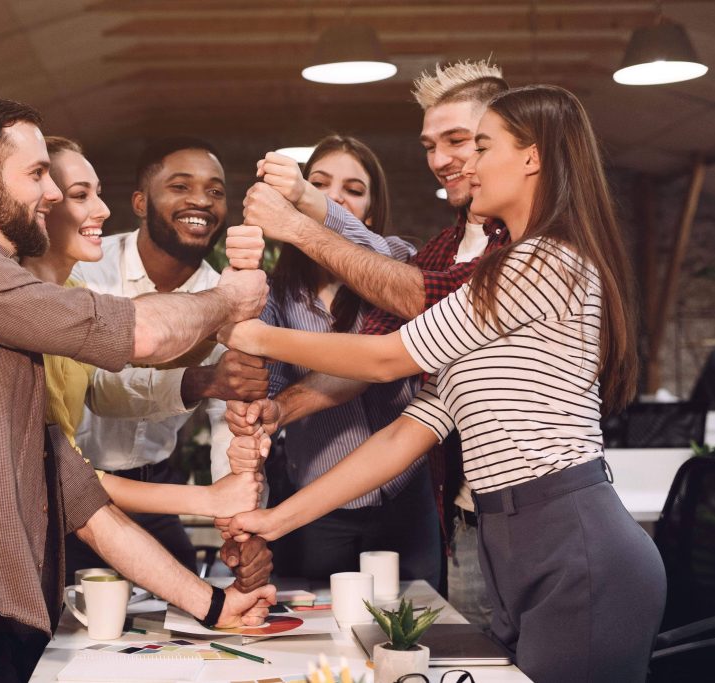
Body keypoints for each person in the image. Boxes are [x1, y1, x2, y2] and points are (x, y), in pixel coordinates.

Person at [219, 85, 666, 683]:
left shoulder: (547, 261)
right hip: (511, 539)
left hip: (571, 536)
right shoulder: (496, 268)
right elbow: (406, 433)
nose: (466, 166)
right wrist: (277, 521)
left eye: (482, 146)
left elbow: (385, 359)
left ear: (532, 157)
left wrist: (253, 334)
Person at [0, 95, 274, 683]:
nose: (54, 192)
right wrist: (229, 298)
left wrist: (213, 605)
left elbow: (82, 501)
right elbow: (136, 333)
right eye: (38, 174)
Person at [227, 60, 511, 624]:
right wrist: (264, 407)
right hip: (332, 495)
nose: (441, 158)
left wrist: (306, 209)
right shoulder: (283, 288)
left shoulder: (426, 261)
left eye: (351, 192)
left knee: (426, 631)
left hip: (420, 495)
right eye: (433, 144)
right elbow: (346, 377)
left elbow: (388, 350)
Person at [23, 135, 272, 590]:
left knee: (187, 614)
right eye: (180, 186)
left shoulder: (224, 294)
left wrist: (239, 523)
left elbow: (227, 425)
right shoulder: (82, 267)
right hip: (64, 496)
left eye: (215, 191)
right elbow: (105, 383)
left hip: (151, 490)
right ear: (140, 201)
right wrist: (200, 380)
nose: (200, 199)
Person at [247, 134, 440, 585]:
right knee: (320, 634)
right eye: (320, 183)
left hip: (406, 495)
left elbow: (385, 356)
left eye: (353, 190)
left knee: (418, 625)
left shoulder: (399, 259)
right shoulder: (274, 293)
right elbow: (267, 391)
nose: (333, 197)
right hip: (317, 503)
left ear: (370, 213)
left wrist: (307, 200)